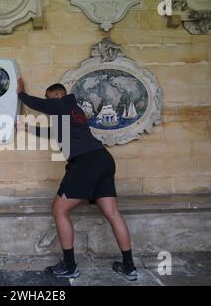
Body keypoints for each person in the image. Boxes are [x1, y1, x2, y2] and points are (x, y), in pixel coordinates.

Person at [16, 78, 138, 281]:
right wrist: (27, 129)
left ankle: (70, 266)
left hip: (86, 162)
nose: (50, 103)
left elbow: (39, 104)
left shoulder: (63, 103)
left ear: (57, 95)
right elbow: (56, 133)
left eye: (50, 98)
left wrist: (21, 94)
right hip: (103, 159)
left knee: (59, 209)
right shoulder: (75, 112)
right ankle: (129, 267)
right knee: (112, 212)